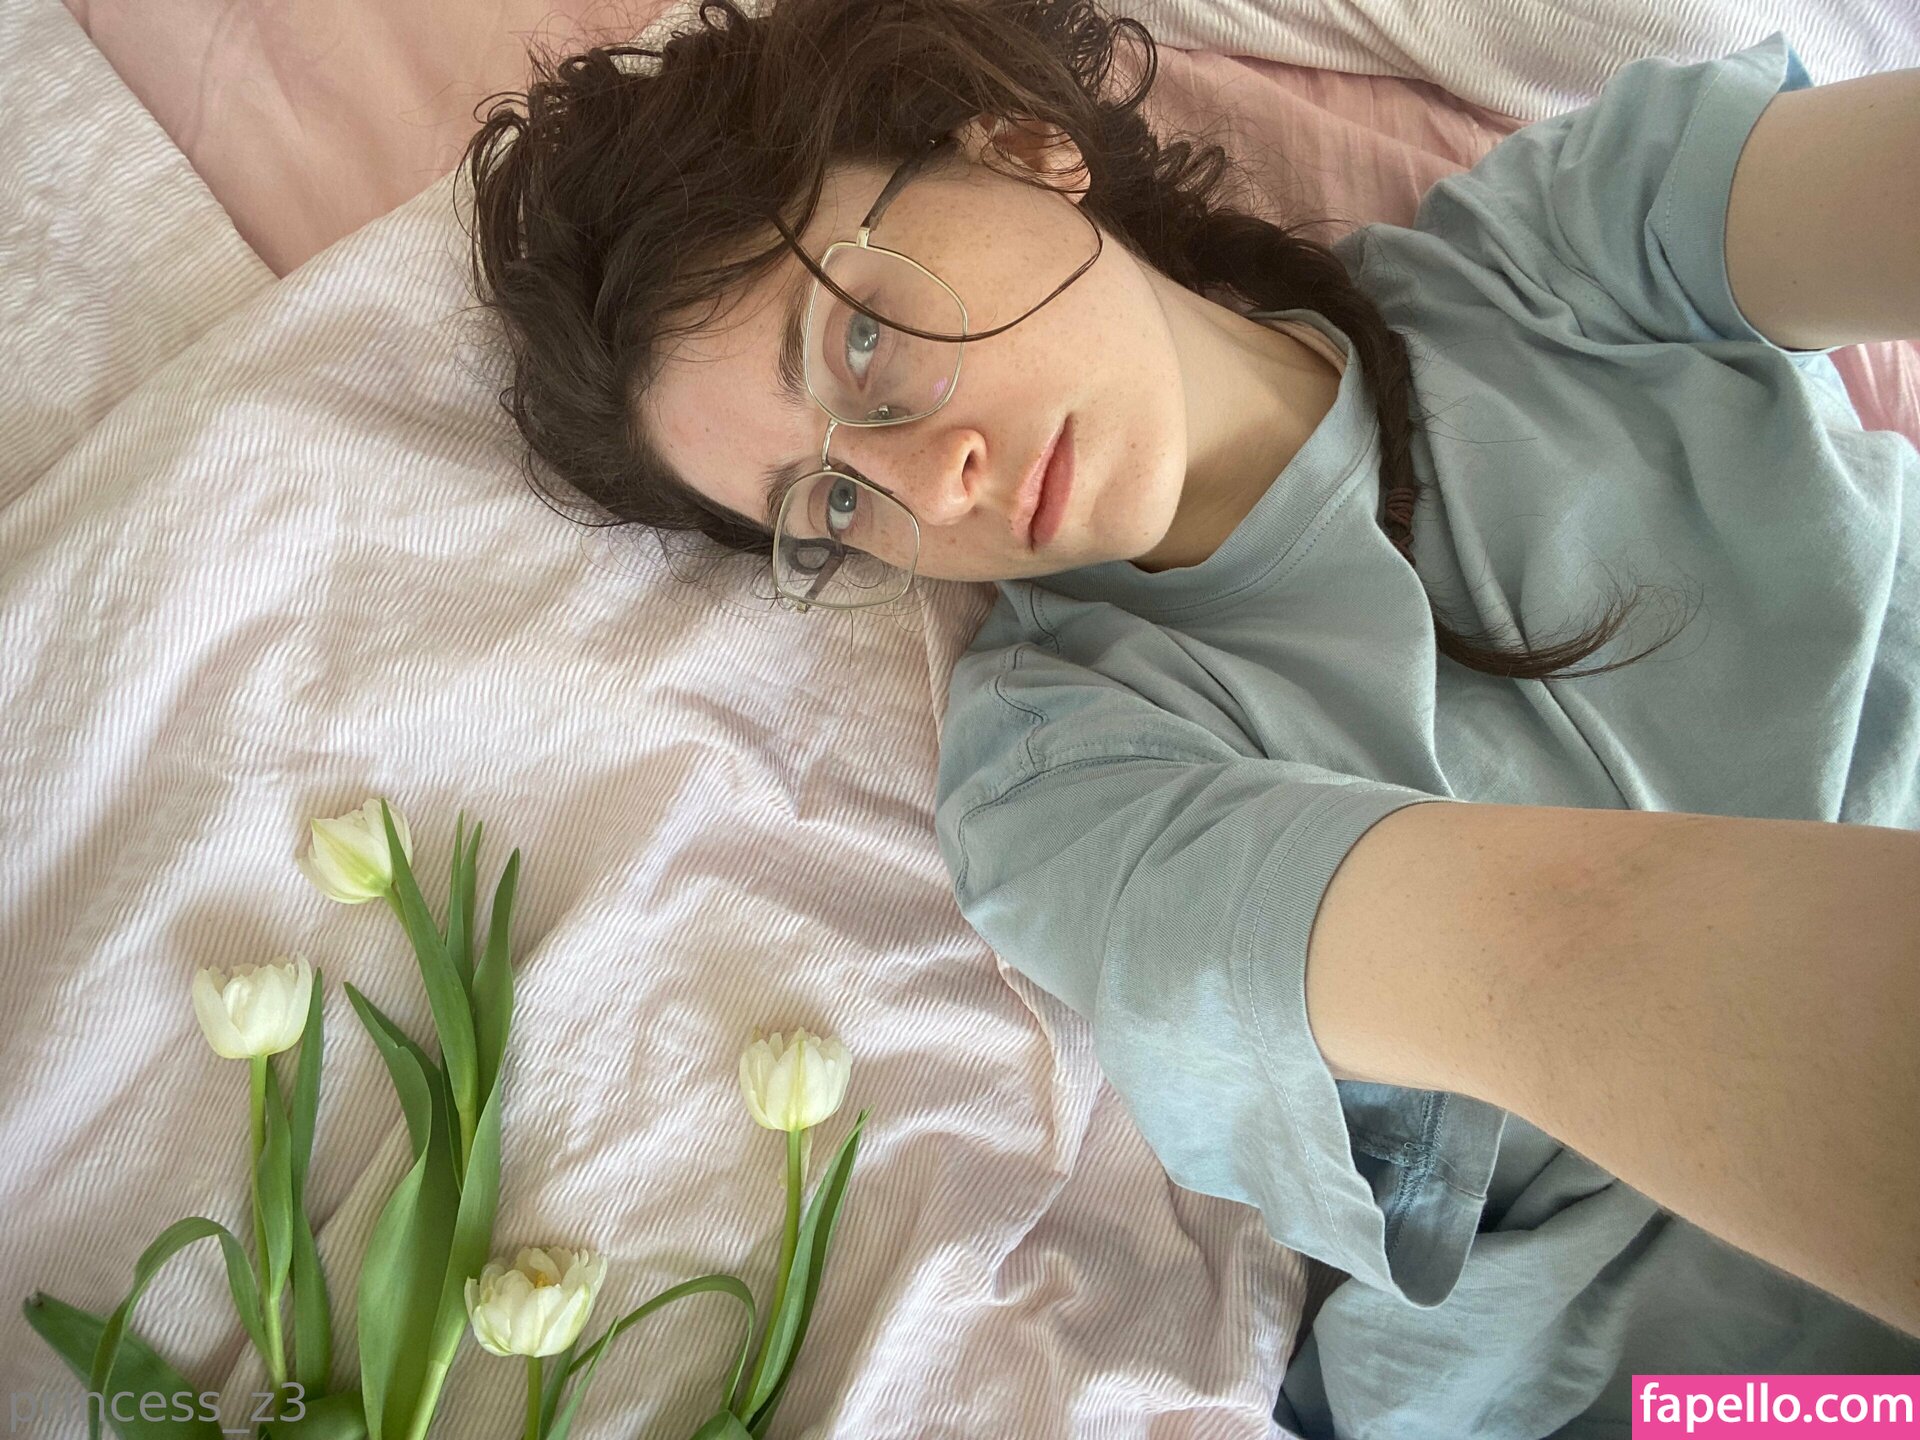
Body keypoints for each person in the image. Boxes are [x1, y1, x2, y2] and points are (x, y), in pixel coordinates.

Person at [457, 0, 1920, 1432]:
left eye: (860, 346)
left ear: (1023, 149)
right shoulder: (1066, 786)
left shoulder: (1572, 241)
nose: (924, 483)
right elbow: (1557, 954)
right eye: (833, 503)